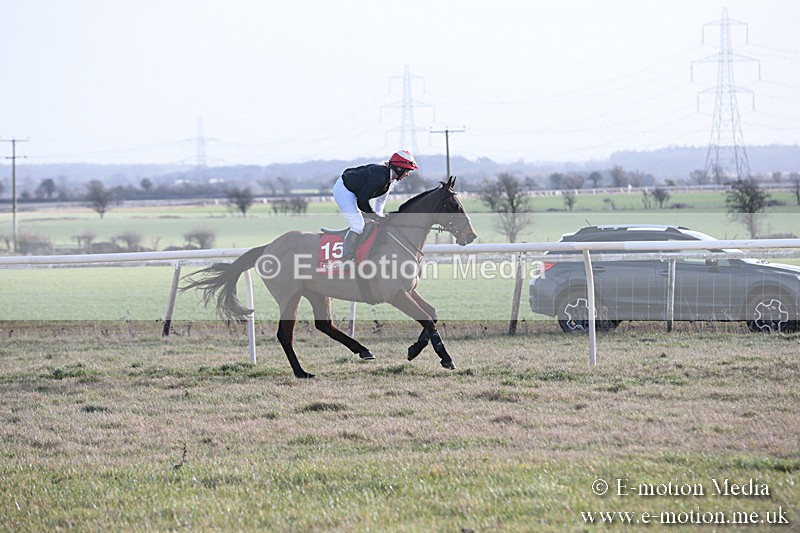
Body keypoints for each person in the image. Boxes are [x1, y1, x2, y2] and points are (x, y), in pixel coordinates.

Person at [332, 149, 418, 261]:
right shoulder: (380, 178)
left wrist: (379, 217)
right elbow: (362, 200)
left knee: (374, 224)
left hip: (355, 192)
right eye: (407, 171)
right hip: (344, 190)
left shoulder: (389, 180)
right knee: (357, 225)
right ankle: (346, 259)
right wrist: (374, 216)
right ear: (399, 168)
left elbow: (380, 202)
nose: (407, 174)